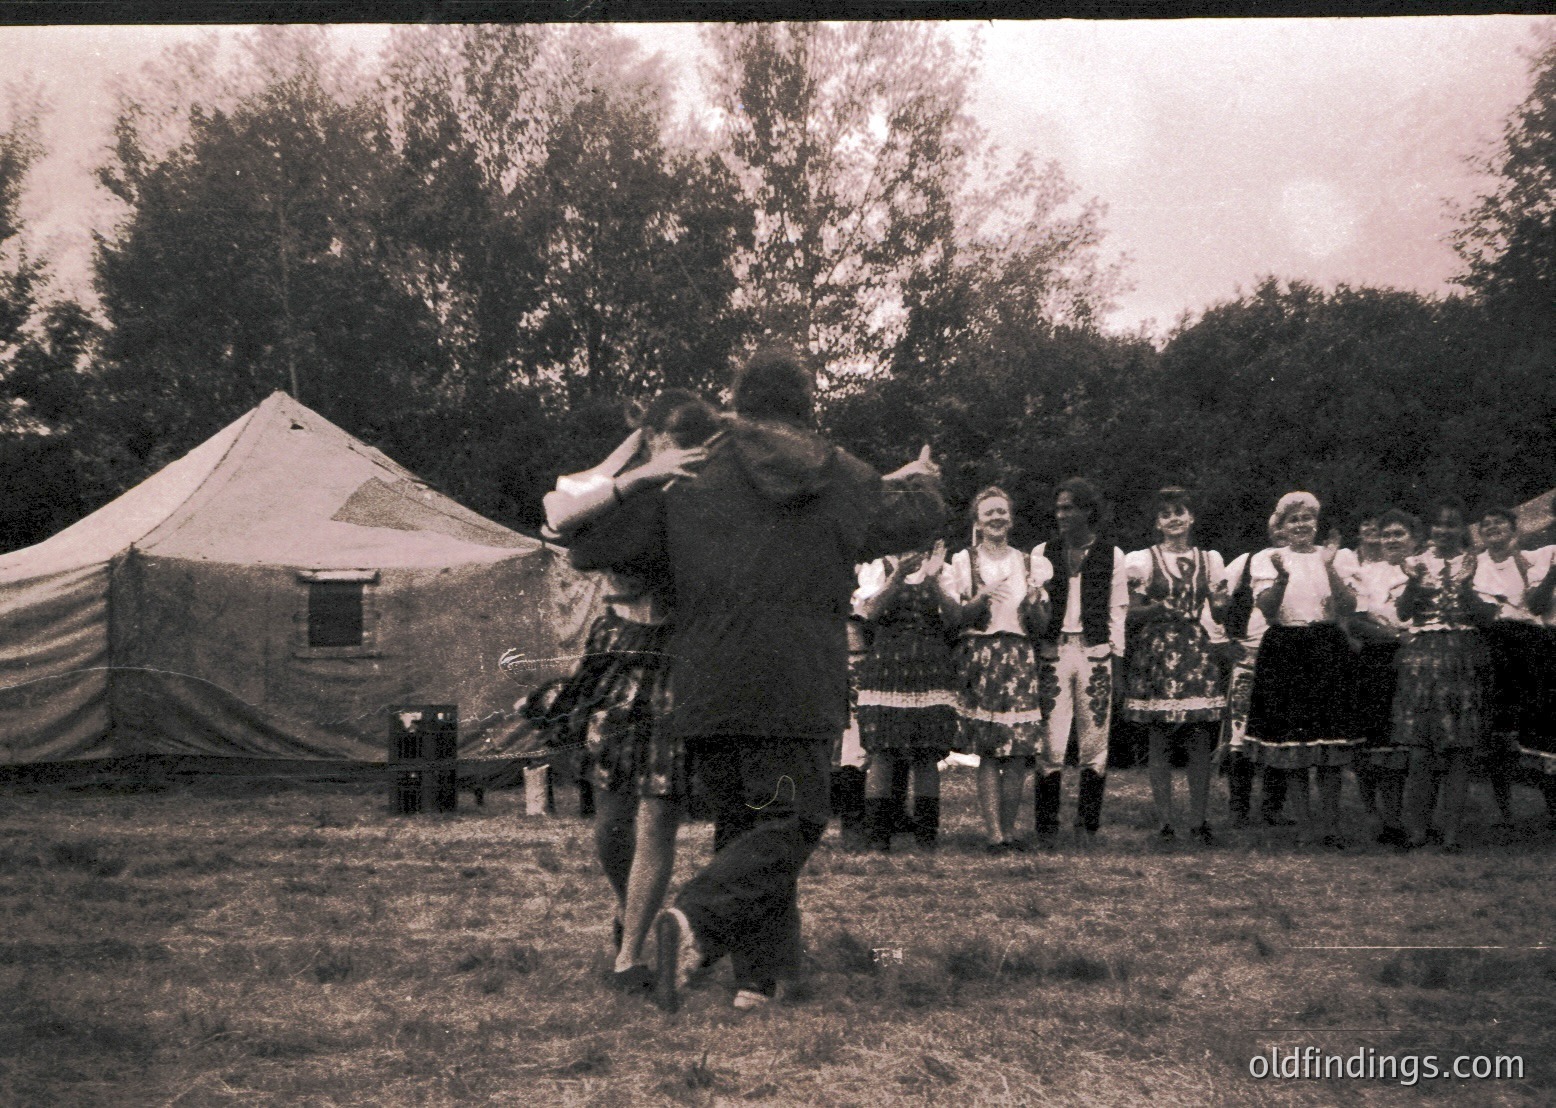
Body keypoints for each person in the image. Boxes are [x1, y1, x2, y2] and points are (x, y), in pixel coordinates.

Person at [566, 347, 944, 1013]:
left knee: (749, 829)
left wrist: (633, 480)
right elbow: (916, 517)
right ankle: (695, 922)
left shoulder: (691, 473)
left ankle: (757, 984)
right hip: (797, 684)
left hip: (705, 683)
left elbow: (588, 543)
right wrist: (926, 480)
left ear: (737, 403)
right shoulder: (840, 475)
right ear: (806, 406)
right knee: (791, 822)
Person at [530, 390, 720, 992]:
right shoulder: (620, 475)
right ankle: (631, 915)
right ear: (653, 437)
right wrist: (644, 473)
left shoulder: (711, 487)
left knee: (659, 811)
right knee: (611, 816)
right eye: (674, 446)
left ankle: (630, 956)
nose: (685, 458)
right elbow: (558, 512)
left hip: (680, 651)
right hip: (619, 647)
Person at [1244, 491, 1358, 848]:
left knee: (1330, 741)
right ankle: (1306, 826)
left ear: (1316, 523)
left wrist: (1328, 565)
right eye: (1293, 519)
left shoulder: (1334, 557)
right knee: (1294, 743)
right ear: (1281, 526)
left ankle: (1331, 824)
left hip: (1326, 645)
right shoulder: (1269, 558)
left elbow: (1348, 605)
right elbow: (1266, 608)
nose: (1301, 525)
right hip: (1286, 647)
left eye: (1307, 518)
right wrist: (1280, 579)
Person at [943, 489, 1051, 853]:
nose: (995, 518)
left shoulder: (1029, 563)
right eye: (988, 513)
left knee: (1019, 750)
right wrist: (981, 596)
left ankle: (1010, 831)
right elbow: (957, 619)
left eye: (1001, 512)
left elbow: (1040, 625)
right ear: (977, 521)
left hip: (1019, 655)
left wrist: (1035, 603)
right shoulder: (963, 561)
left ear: (1011, 518)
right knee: (989, 750)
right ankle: (994, 835)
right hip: (983, 653)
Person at [1123, 487, 1229, 844]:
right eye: (1165, 513)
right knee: (1161, 738)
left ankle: (1199, 821)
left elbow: (1220, 611)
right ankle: (1166, 823)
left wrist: (1222, 602)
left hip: (1194, 649)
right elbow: (1129, 612)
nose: (1173, 519)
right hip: (1157, 649)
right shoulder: (1144, 560)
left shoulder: (1208, 559)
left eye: (1179, 512)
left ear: (1191, 517)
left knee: (1200, 737)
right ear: (1157, 522)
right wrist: (1154, 609)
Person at [1393, 497, 1497, 853]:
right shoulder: (1415, 563)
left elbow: (1487, 617)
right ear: (1430, 529)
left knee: (1459, 750)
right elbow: (1405, 613)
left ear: (1462, 530)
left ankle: (1451, 831)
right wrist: (1414, 585)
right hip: (1423, 658)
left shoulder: (1476, 563)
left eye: (1452, 525)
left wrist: (1466, 588)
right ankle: (1416, 830)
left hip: (1463, 654)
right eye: (1438, 525)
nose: (1444, 531)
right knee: (1421, 749)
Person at [1031, 478, 1129, 843]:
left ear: (1088, 511)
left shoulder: (1112, 555)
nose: (1062, 515)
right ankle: (1046, 825)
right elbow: (1036, 610)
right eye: (1058, 508)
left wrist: (1117, 667)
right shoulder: (1042, 553)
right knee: (1052, 742)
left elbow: (1118, 614)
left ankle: (1088, 824)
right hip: (1054, 652)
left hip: (1096, 653)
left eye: (1069, 507)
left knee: (1094, 743)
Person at [853, 540, 960, 851]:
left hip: (931, 666)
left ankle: (927, 837)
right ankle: (877, 837)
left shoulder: (944, 569)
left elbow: (955, 618)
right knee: (882, 752)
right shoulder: (879, 566)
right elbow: (869, 613)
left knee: (927, 754)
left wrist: (935, 577)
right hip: (887, 665)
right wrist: (897, 576)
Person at [1472, 502, 1555, 830]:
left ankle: (1551, 807)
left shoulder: (1534, 558)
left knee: (1542, 726)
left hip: (1532, 645)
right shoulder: (1474, 564)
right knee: (1498, 730)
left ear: (1513, 529)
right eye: (1487, 523)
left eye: (1500, 523)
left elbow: (1537, 604)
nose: (1493, 528)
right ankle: (1504, 810)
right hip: (1493, 644)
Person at [1347, 508, 1417, 846]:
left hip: (1419, 658)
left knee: (1407, 741)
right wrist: (1392, 637)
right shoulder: (1367, 572)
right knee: (1375, 739)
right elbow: (1355, 621)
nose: (1391, 539)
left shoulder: (1425, 571)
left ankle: (1408, 816)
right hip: (1378, 657)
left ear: (1413, 539)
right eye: (1387, 534)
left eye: (1399, 533)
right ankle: (1376, 815)